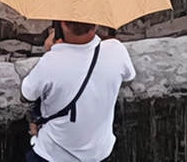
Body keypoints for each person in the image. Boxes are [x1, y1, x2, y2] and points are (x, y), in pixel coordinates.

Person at [20, 21, 135, 162]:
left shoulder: (51, 62)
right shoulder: (116, 49)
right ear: (97, 23)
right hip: (99, 154)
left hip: (53, 155)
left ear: (63, 25)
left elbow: (27, 94)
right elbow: (129, 77)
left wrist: (52, 53)